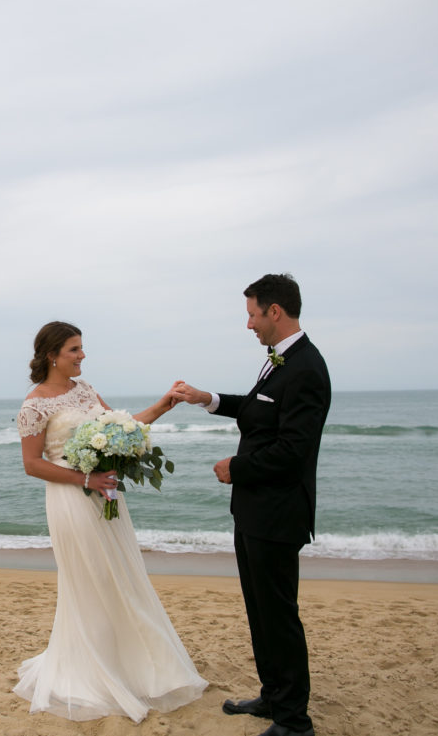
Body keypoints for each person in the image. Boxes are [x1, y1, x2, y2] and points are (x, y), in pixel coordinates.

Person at [14, 321, 207, 723]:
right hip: (71, 498)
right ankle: (95, 671)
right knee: (92, 581)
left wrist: (162, 406)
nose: (82, 355)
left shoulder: (84, 390)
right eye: (74, 349)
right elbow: (32, 465)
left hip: (105, 496)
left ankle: (131, 665)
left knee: (121, 576)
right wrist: (86, 478)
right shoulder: (34, 405)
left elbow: (118, 429)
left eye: (82, 348)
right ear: (53, 355)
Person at [172, 274, 330, 736]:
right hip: (255, 512)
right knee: (260, 611)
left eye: (252, 314)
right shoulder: (280, 361)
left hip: (278, 515)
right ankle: (273, 695)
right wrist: (208, 399)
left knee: (279, 615)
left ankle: (294, 722)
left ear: (274, 312)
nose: (249, 324)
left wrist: (236, 469)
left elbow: (293, 450)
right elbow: (258, 409)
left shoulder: (306, 368)